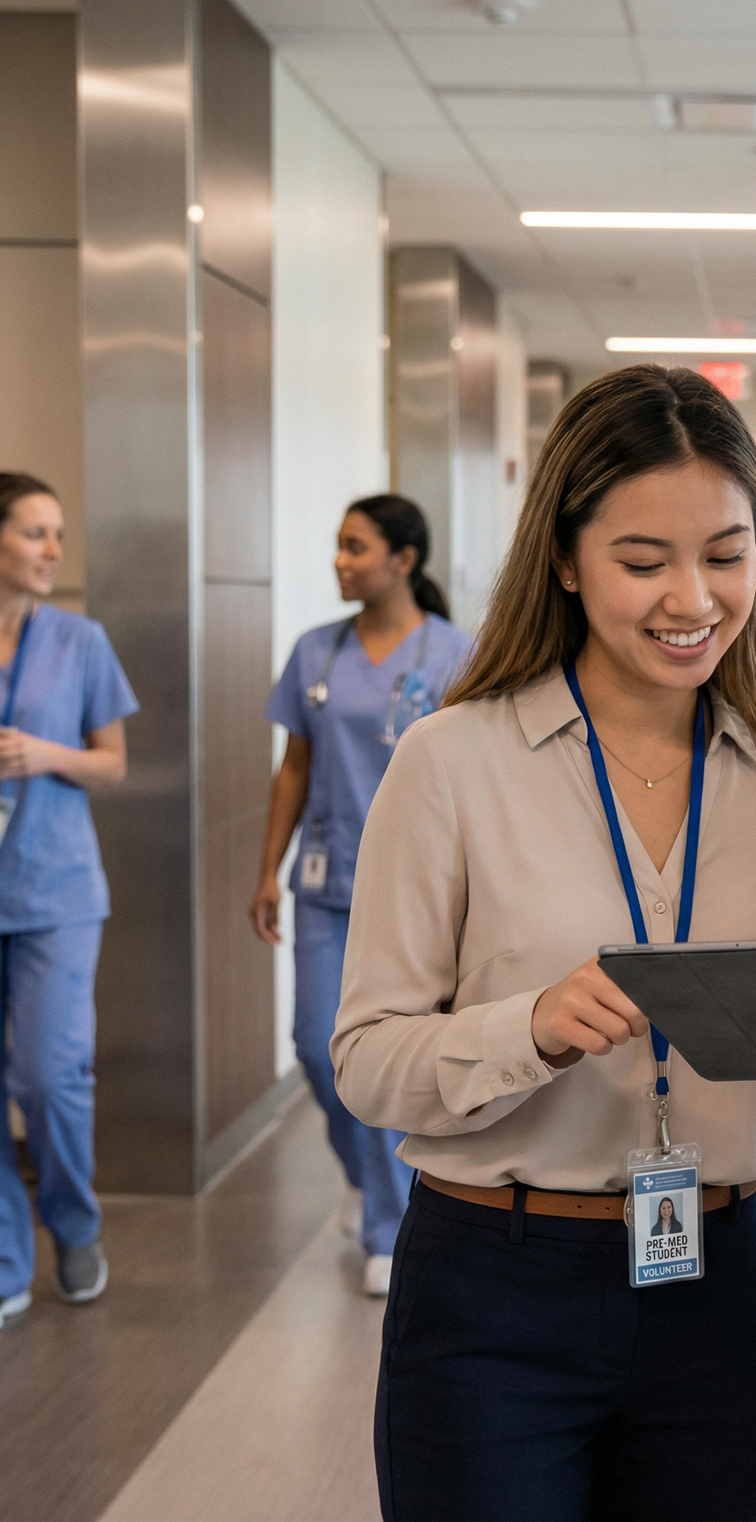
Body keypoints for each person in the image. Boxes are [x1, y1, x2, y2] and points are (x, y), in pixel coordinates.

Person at [333, 364, 756, 1522]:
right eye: (642, 559)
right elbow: (366, 1061)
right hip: (497, 1292)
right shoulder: (452, 762)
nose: (692, 597)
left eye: (726, 553)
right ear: (564, 559)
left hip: (717, 1289)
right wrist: (529, 1031)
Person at [251, 495, 471, 1298]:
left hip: (422, 896)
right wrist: (266, 871)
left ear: (403, 559)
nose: (341, 562)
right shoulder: (316, 652)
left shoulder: (457, 654)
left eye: (355, 547)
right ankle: (365, 1176)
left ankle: (389, 1224)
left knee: (397, 1059)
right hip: (325, 882)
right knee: (317, 1047)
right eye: (338, 548)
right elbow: (294, 770)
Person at [0, 472, 137, 1325]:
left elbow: (114, 762)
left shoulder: (80, 641)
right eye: (35, 533)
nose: (54, 550)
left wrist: (45, 754)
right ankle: (6, 1258)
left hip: (56, 888)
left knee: (50, 1077)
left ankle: (73, 1223)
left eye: (59, 534)